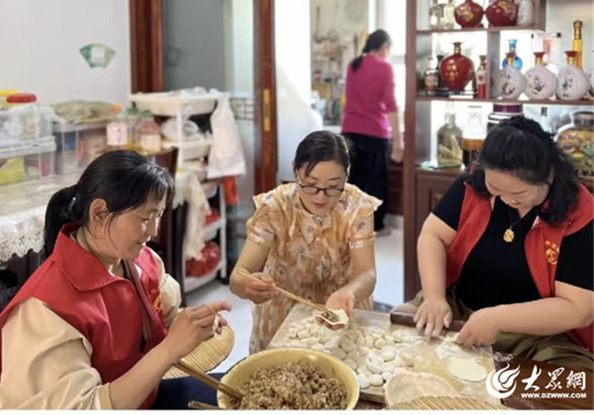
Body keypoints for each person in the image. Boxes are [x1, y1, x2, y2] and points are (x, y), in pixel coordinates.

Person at [0, 151, 232, 409]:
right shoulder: (46, 307)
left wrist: (194, 324)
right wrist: (170, 350)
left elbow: (164, 318)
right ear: (98, 212)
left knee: (237, 394)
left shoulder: (138, 259)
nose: (154, 231)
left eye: (158, 216)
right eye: (144, 218)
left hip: (141, 397)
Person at [404, 117, 593, 371]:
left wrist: (497, 318)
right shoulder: (474, 183)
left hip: (542, 337)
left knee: (566, 389)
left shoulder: (578, 213)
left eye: (518, 194)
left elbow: (579, 310)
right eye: (495, 187)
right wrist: (435, 297)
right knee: (401, 348)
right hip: (459, 309)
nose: (505, 199)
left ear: (549, 177)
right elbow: (432, 235)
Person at [229, 130, 380, 353]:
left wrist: (348, 293)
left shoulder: (357, 207)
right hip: (284, 313)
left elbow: (367, 273)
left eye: (332, 186)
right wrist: (246, 286)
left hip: (341, 309)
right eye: (310, 184)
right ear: (295, 170)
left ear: (346, 177)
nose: (321, 196)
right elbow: (238, 275)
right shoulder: (275, 207)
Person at [341, 29, 403, 236]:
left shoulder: (353, 65)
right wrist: (398, 142)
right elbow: (391, 105)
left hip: (349, 131)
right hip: (375, 133)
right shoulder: (384, 68)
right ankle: (375, 226)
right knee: (377, 182)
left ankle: (353, 225)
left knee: (354, 181)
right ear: (384, 47)